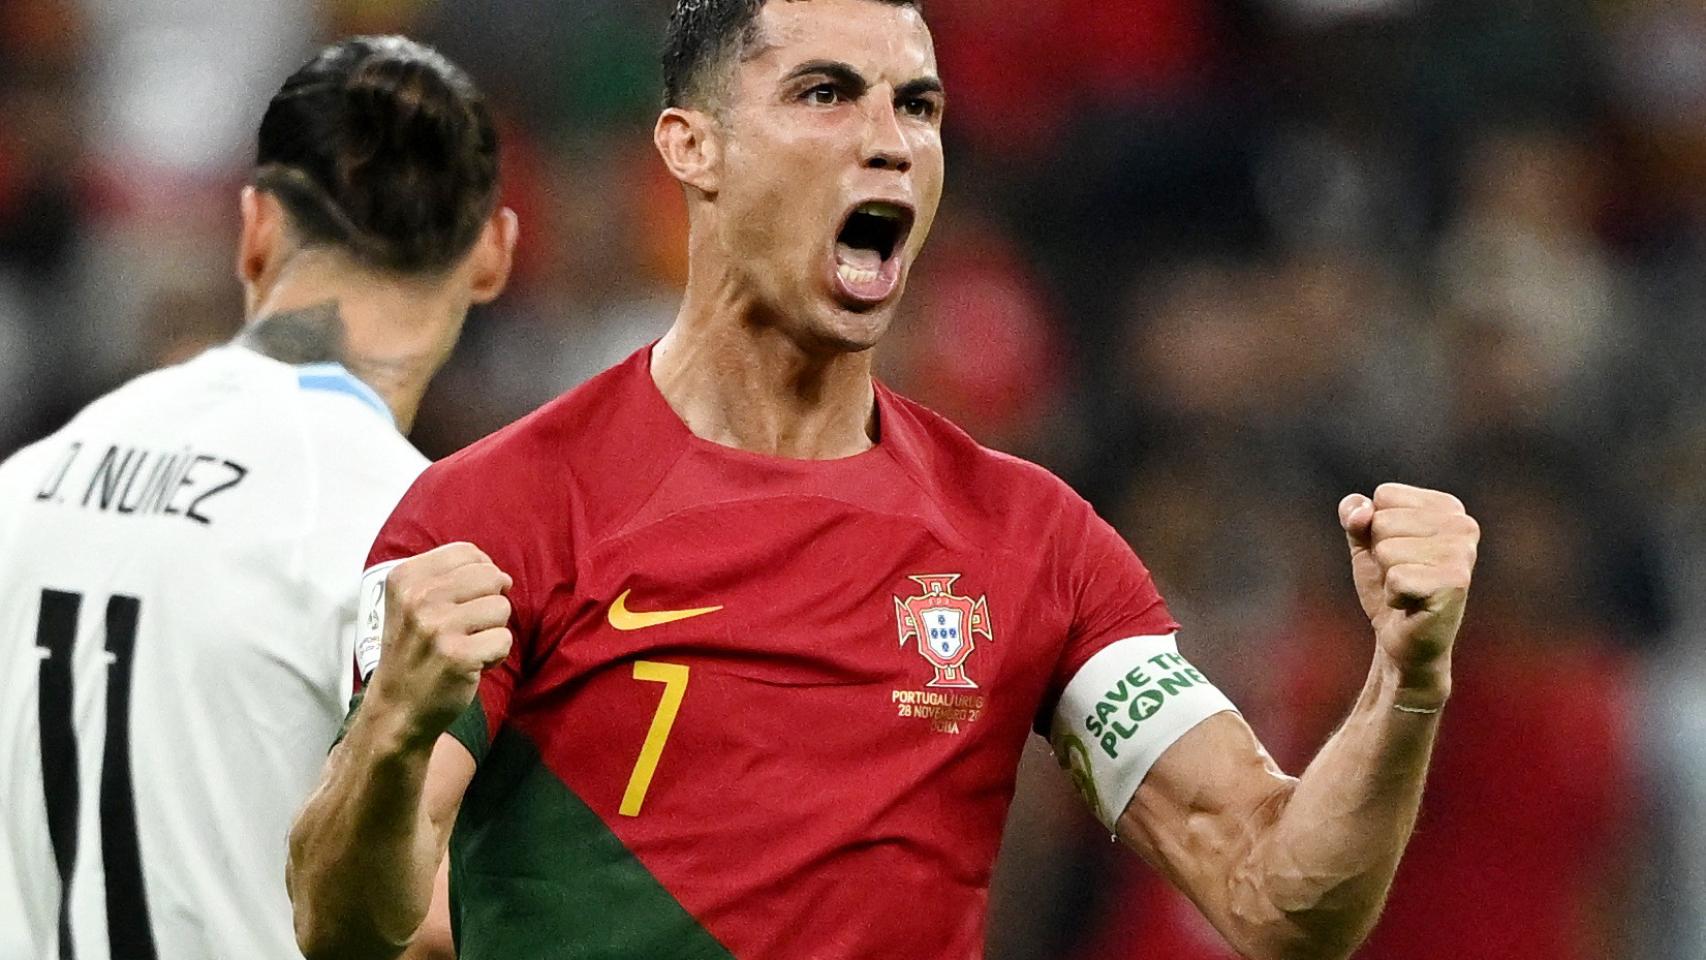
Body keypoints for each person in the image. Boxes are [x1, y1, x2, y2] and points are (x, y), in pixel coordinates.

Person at [286, 3, 1479, 959]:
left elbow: (1278, 898)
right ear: (690, 148)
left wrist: (1404, 684)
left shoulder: (1031, 542)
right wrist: (388, 736)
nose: (888, 138)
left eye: (918, 105)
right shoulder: (500, 513)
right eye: (824, 93)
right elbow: (345, 927)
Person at [0, 36, 515, 960]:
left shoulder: (30, 479)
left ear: (256, 230)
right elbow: (428, 930)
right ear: (492, 253)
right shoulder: (417, 540)